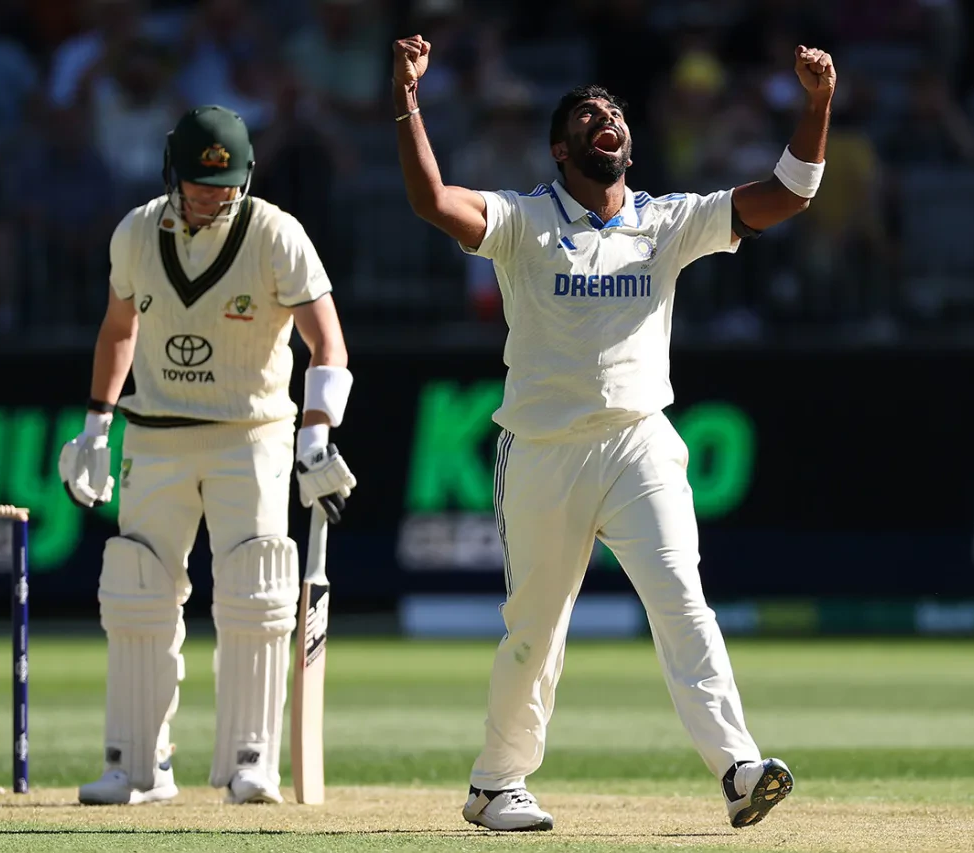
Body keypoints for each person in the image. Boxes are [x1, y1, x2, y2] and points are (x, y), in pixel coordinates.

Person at [392, 35, 834, 832]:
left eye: (616, 113)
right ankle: (495, 784)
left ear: (627, 143)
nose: (608, 120)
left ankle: (739, 769)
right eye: (590, 116)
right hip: (545, 450)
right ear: (563, 150)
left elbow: (790, 193)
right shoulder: (524, 220)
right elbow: (430, 202)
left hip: (640, 443)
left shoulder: (668, 221)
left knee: (684, 602)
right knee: (536, 632)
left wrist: (817, 105)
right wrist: (407, 101)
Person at [58, 105, 357, 806]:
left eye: (224, 185)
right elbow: (117, 329)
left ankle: (251, 761)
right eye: (198, 184)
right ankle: (136, 766)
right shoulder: (136, 231)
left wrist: (315, 434)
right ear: (173, 174)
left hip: (250, 433)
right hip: (155, 435)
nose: (211, 196)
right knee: (136, 592)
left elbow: (328, 343)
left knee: (256, 591)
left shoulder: (277, 234)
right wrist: (97, 423)